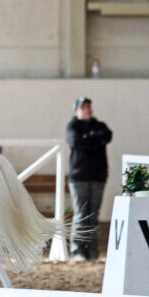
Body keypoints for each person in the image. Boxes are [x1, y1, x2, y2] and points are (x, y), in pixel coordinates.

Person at [66, 97, 112, 261]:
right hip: (79, 178)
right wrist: (94, 140)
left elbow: (107, 135)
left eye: (88, 106)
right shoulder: (72, 126)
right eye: (83, 107)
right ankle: (78, 250)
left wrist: (89, 137)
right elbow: (77, 141)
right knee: (81, 215)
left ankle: (92, 251)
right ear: (76, 110)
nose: (87, 109)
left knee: (93, 216)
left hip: (98, 177)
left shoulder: (99, 125)